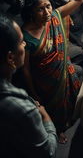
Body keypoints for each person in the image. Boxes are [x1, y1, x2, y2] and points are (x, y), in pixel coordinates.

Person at [21, 0, 83, 144]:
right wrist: (33, 93)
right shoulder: (25, 36)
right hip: (45, 82)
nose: (46, 12)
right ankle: (59, 129)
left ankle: (72, 120)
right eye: (40, 9)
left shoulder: (55, 17)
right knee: (53, 108)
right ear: (31, 11)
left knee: (71, 96)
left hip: (63, 69)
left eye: (48, 6)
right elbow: (26, 70)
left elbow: (78, 0)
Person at [0, 14, 57, 158]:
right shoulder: (23, 109)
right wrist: (45, 118)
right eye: (21, 42)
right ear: (10, 57)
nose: (24, 44)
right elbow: (47, 151)